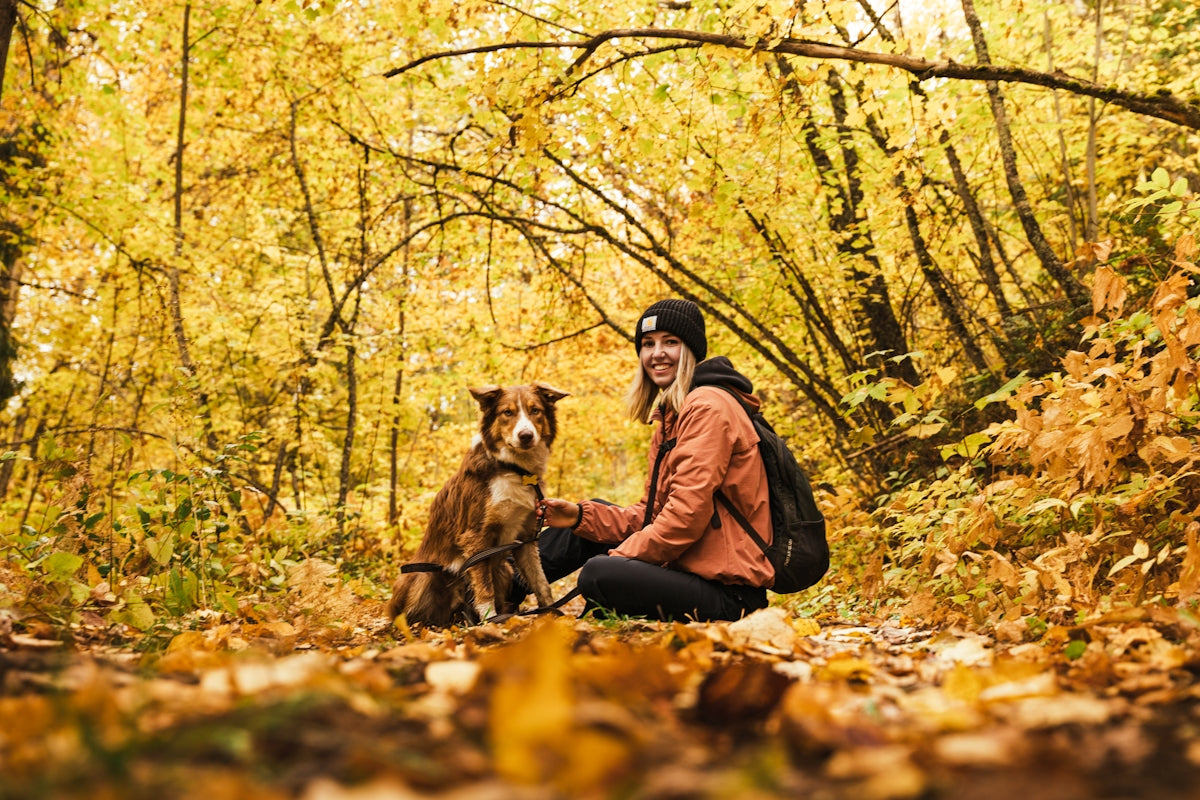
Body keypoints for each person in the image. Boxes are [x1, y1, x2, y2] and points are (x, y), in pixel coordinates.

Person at [529, 298, 775, 622]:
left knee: (600, 573)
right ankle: (489, 595)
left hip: (728, 594)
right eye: (648, 344)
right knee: (578, 525)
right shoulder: (673, 413)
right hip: (689, 575)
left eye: (670, 342)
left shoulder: (707, 407)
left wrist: (620, 558)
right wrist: (578, 517)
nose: (656, 353)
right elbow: (650, 516)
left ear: (689, 349)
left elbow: (683, 519)